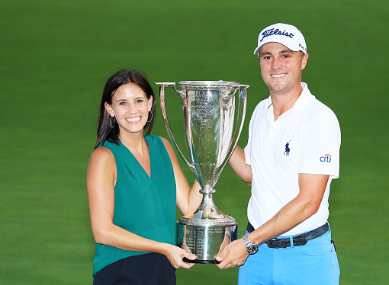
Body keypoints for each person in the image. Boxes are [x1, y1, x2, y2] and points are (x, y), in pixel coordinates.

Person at [215, 23, 341, 285]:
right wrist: (223, 135)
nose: (276, 65)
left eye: (286, 55)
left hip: (305, 259)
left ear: (303, 60)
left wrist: (248, 243)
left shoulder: (319, 118)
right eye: (267, 56)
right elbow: (253, 175)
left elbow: (308, 201)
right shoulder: (260, 111)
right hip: (257, 258)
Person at [86, 69, 203, 284]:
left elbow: (188, 205)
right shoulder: (104, 156)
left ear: (150, 103)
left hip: (163, 270)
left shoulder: (163, 147)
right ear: (109, 109)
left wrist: (208, 166)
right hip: (122, 270)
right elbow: (102, 231)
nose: (132, 110)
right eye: (122, 103)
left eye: (139, 101)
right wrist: (163, 247)